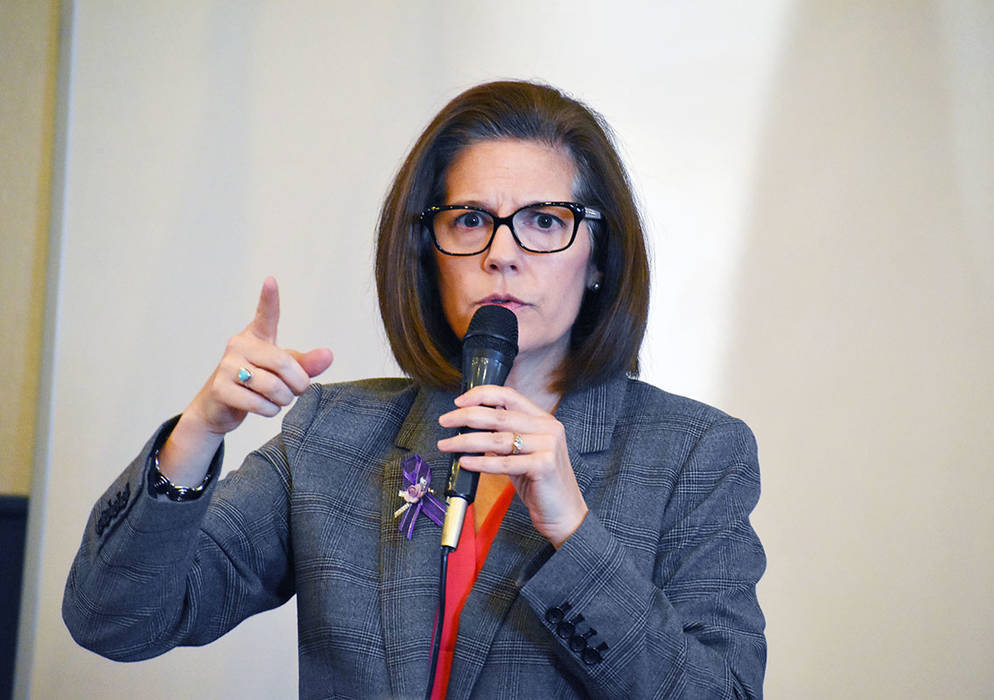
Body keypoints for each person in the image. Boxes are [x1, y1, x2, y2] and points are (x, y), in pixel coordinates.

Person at [63, 80, 766, 699]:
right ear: (429, 255)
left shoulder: (695, 456)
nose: (502, 252)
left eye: (544, 221)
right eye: (469, 220)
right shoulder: (333, 434)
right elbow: (116, 619)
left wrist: (574, 534)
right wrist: (201, 430)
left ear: (597, 261)